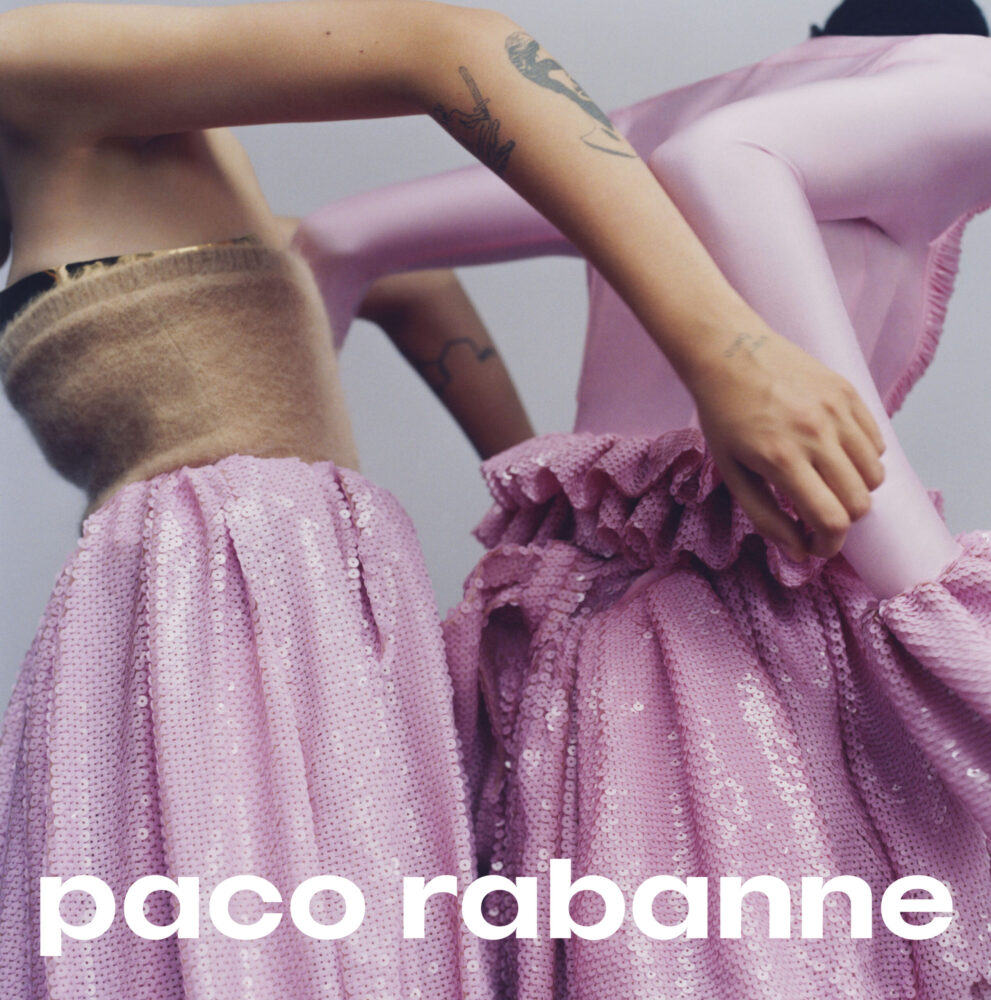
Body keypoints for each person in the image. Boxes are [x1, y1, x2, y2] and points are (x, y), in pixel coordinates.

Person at [0, 1, 886, 997]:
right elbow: (407, 285)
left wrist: (729, 351)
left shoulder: (27, 65)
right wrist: (540, 512)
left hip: (229, 610)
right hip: (186, 637)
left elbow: (452, 48)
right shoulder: (69, 169)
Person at [296, 0, 991, 996]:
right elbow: (726, 160)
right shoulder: (965, 83)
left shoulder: (648, 120)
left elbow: (335, 239)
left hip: (551, 636)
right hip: (743, 635)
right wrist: (923, 585)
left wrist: (298, 534)